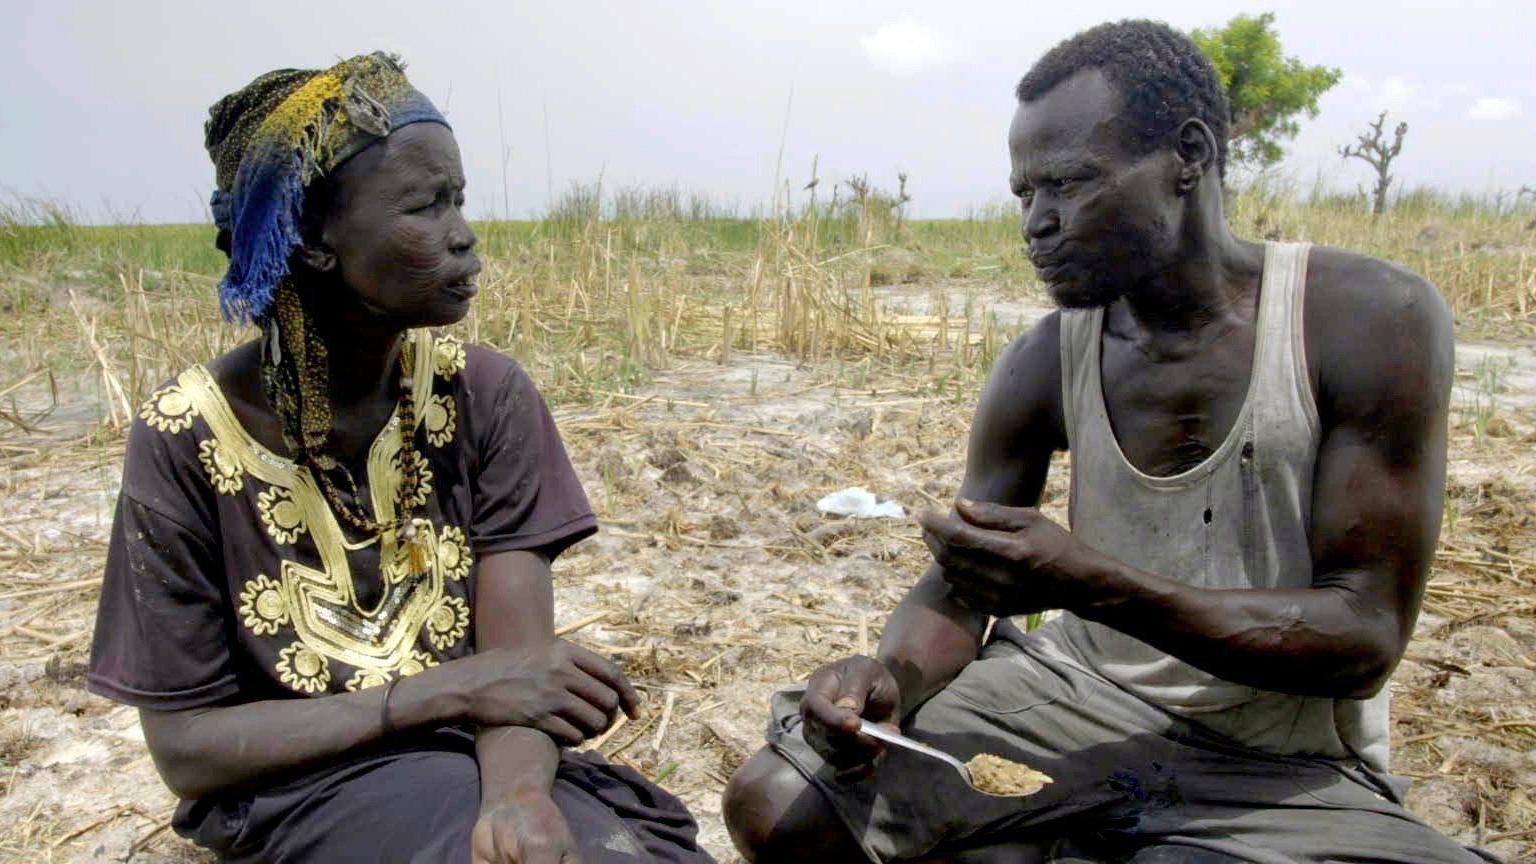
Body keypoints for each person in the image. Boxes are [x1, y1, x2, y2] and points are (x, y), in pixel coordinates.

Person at [723, 21, 1492, 864]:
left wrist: (1093, 585)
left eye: (1069, 184)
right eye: (1024, 194)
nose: (1036, 225)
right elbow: (959, 587)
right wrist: (883, 684)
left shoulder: (1366, 320)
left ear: (1188, 157)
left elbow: (1363, 639)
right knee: (778, 804)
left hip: (1275, 750)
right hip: (1071, 692)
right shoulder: (1045, 358)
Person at [86, 53, 713, 864]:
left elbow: (514, 672)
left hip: (488, 756)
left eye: (459, 199)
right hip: (304, 786)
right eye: (426, 206)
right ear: (313, 239)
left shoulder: (484, 395)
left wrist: (520, 799)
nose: (465, 235)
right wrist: (447, 690)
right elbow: (188, 750)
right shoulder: (186, 436)